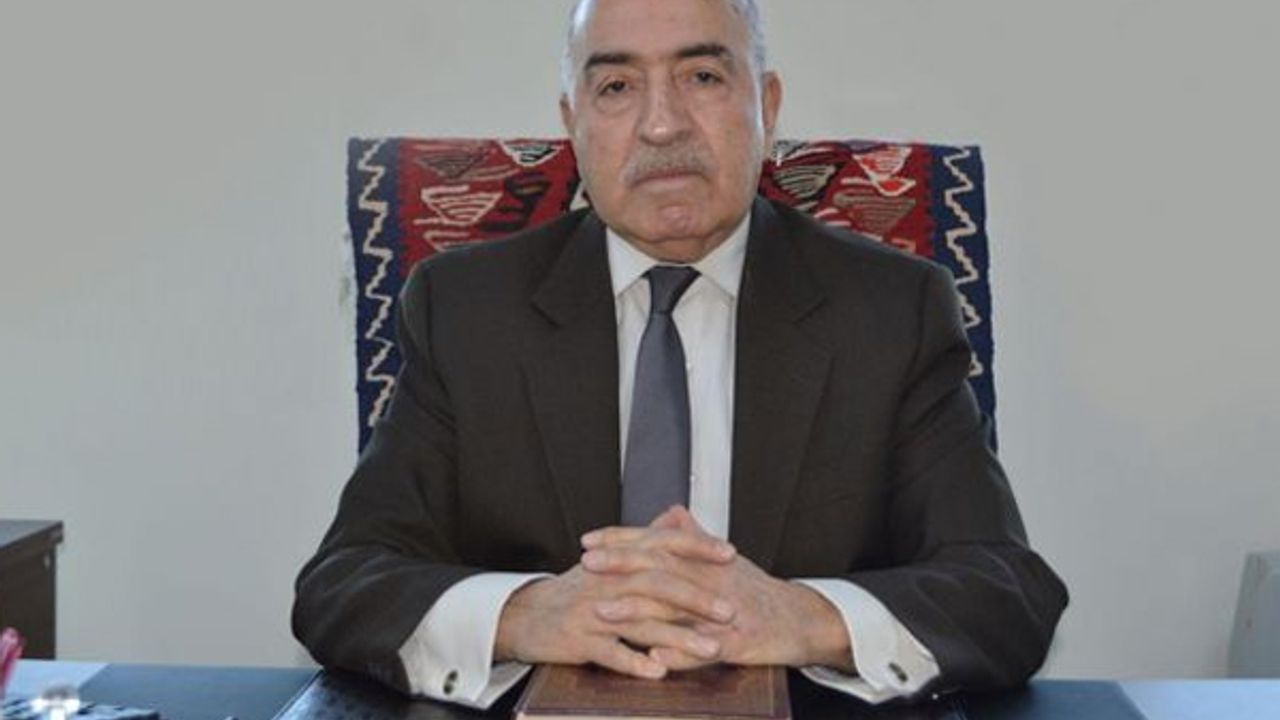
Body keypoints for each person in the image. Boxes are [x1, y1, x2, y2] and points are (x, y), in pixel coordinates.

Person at [292, 0, 1068, 709]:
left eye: (701, 76)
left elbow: (1004, 593)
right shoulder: (466, 311)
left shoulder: (893, 312)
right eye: (616, 88)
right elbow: (344, 583)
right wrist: (529, 614)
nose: (662, 126)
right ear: (573, 124)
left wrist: (800, 617)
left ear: (766, 105)